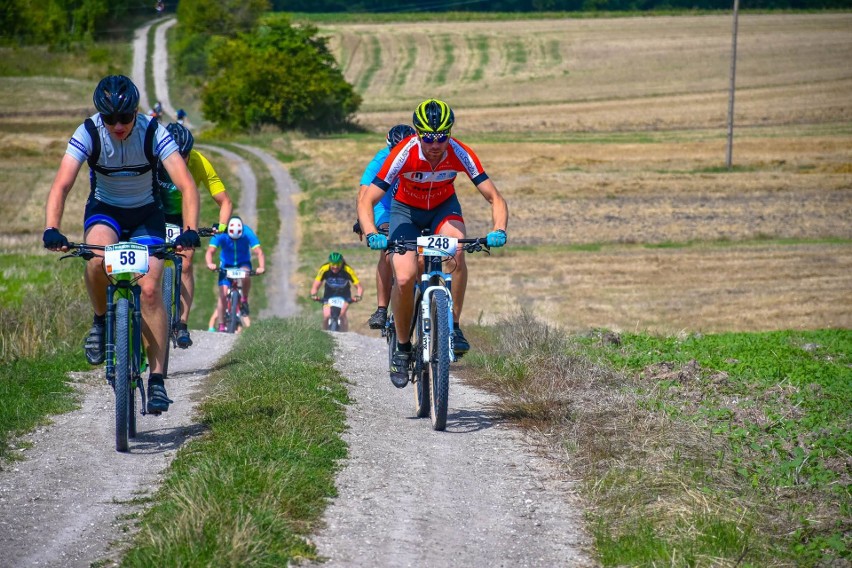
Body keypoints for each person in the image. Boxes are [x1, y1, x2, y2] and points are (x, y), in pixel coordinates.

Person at [43, 74, 200, 413]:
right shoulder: (87, 132)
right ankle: (100, 322)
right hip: (106, 212)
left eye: (124, 118)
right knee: (97, 260)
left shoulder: (153, 132)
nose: (117, 125)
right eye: (109, 118)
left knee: (150, 289)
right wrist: (51, 228)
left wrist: (188, 230)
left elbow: (187, 186)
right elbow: (61, 185)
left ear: (135, 113)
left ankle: (157, 380)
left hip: (146, 214)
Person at [357, 99, 508, 388]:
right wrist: (372, 231)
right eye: (427, 137)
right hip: (405, 212)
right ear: (417, 133)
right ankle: (402, 348)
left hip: (442, 209)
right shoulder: (403, 153)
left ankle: (454, 326)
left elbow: (495, 197)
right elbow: (368, 199)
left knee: (457, 253)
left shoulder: (460, 152)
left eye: (441, 137)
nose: (435, 144)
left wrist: (499, 228)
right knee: (404, 276)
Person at [156, 122, 233, 347]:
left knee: (186, 263)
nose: (182, 160)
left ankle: (181, 324)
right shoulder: (153, 159)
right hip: (154, 215)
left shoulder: (199, 162)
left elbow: (225, 201)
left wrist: (221, 226)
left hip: (183, 219)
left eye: (185, 155)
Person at [355, 124, 416, 330]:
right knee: (389, 252)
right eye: (394, 150)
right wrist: (364, 222)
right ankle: (382, 309)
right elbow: (364, 195)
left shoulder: (420, 157)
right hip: (386, 209)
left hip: (412, 208)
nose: (398, 154)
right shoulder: (381, 160)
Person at [205, 216, 265, 331]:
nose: (235, 241)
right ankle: (221, 324)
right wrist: (210, 263)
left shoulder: (247, 232)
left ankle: (244, 300)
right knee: (222, 295)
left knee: (246, 274)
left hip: (243, 262)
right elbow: (210, 251)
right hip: (226, 264)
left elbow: (259, 252)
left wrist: (261, 267)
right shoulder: (221, 233)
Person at [310, 252, 363, 331]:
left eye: (338, 264)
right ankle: (325, 334)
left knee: (341, 315)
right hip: (328, 296)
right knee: (326, 316)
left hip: (344, 296)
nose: (335, 267)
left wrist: (358, 296)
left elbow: (359, 287)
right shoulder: (324, 269)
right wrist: (314, 294)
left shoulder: (348, 270)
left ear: (342, 263)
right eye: (332, 264)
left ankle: (345, 335)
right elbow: (315, 286)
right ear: (329, 263)